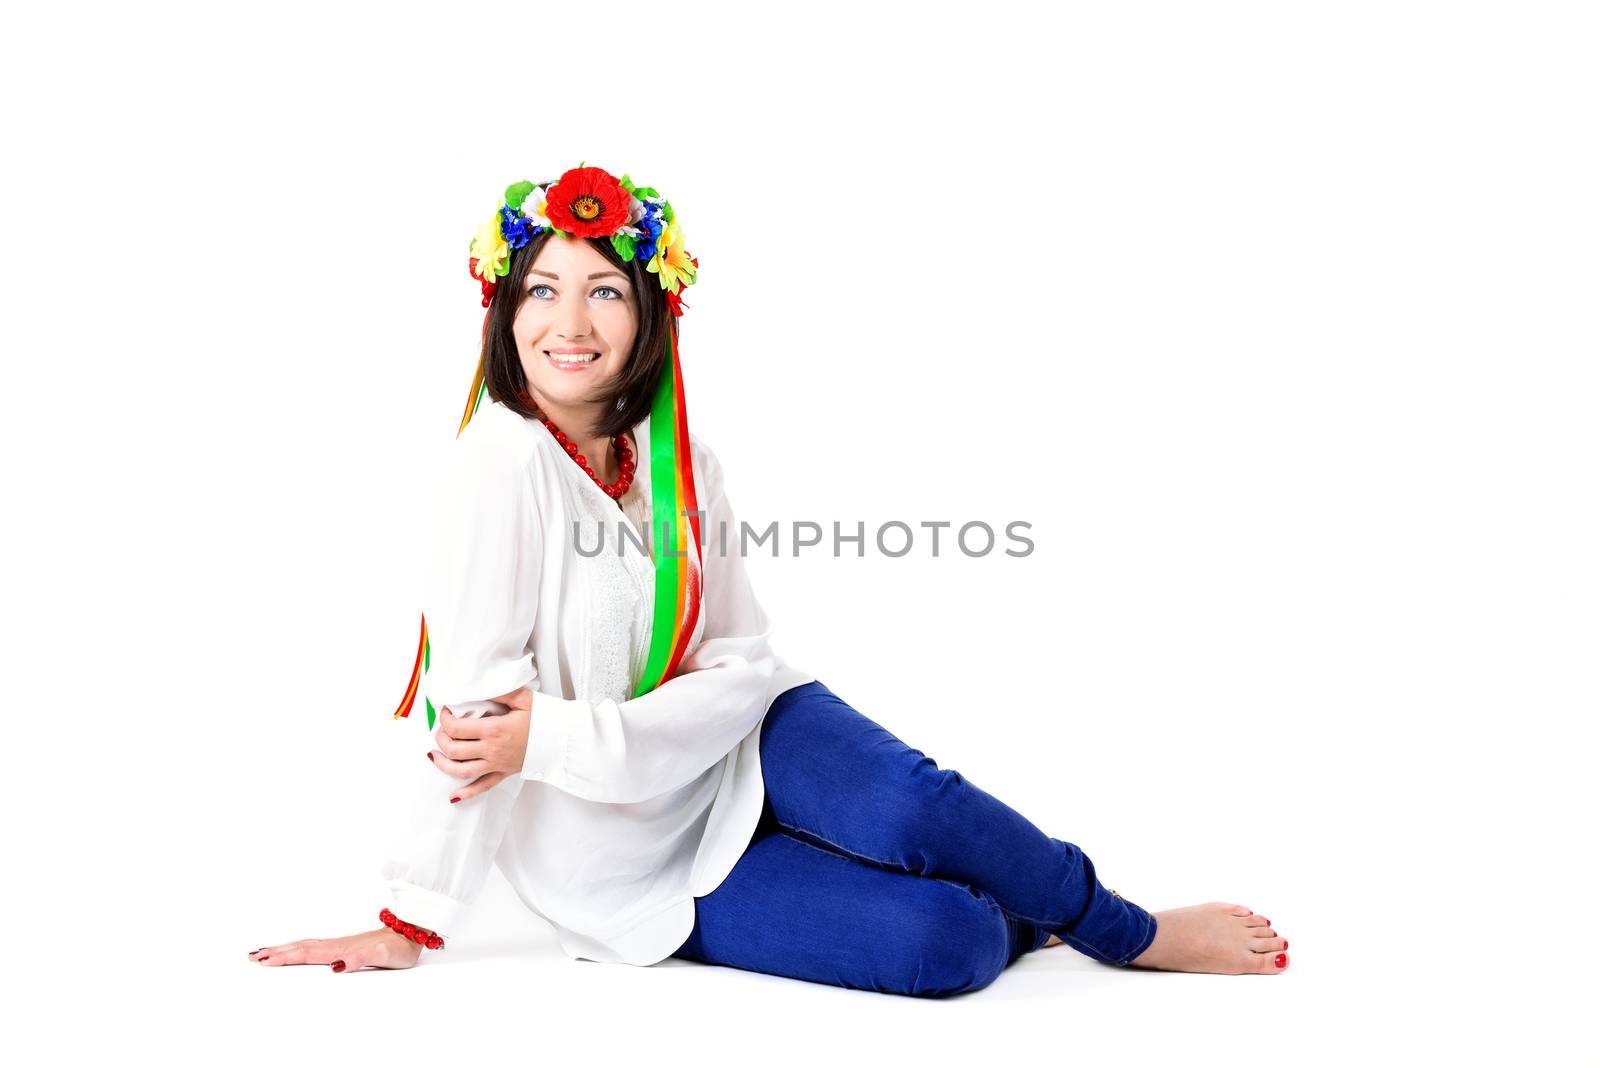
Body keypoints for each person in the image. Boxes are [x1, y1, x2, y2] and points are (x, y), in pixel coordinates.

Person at [248, 165, 1290, 996]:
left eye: (604, 290)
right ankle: (1025, 903)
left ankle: (1126, 928)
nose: (570, 324)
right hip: (631, 866)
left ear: (649, 311)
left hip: (748, 741)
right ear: (503, 307)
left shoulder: (676, 455)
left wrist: (565, 733)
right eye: (543, 289)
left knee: (910, 807)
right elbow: (479, 727)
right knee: (948, 945)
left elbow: (741, 657)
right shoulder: (497, 466)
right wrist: (409, 920)